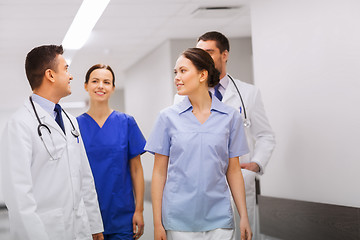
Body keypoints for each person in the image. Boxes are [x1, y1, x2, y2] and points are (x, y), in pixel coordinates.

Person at [174, 31, 276, 239]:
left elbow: (266, 135)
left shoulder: (248, 93)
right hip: (201, 186)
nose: (203, 58)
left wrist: (255, 164)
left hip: (240, 180)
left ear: (225, 55)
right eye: (199, 53)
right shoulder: (182, 97)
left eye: (209, 52)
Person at [146, 48, 252, 240]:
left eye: (183, 71)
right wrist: (157, 223)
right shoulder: (167, 118)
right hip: (178, 220)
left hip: (219, 220)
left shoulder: (230, 117)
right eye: (175, 72)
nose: (177, 77)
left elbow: (233, 170)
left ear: (203, 75)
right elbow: (159, 173)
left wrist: (244, 215)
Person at [0, 45, 104, 240]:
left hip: (80, 229)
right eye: (66, 69)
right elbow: (18, 196)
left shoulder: (71, 121)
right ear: (50, 75)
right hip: (46, 231)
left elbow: (85, 178)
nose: (71, 76)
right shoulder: (20, 124)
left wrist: (94, 225)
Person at [77, 64, 146, 240]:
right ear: (86, 86)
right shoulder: (75, 126)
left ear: (113, 88)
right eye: (95, 81)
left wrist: (139, 210)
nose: (101, 85)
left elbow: (137, 170)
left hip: (122, 217)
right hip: (87, 218)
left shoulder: (126, 122)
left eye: (106, 82)